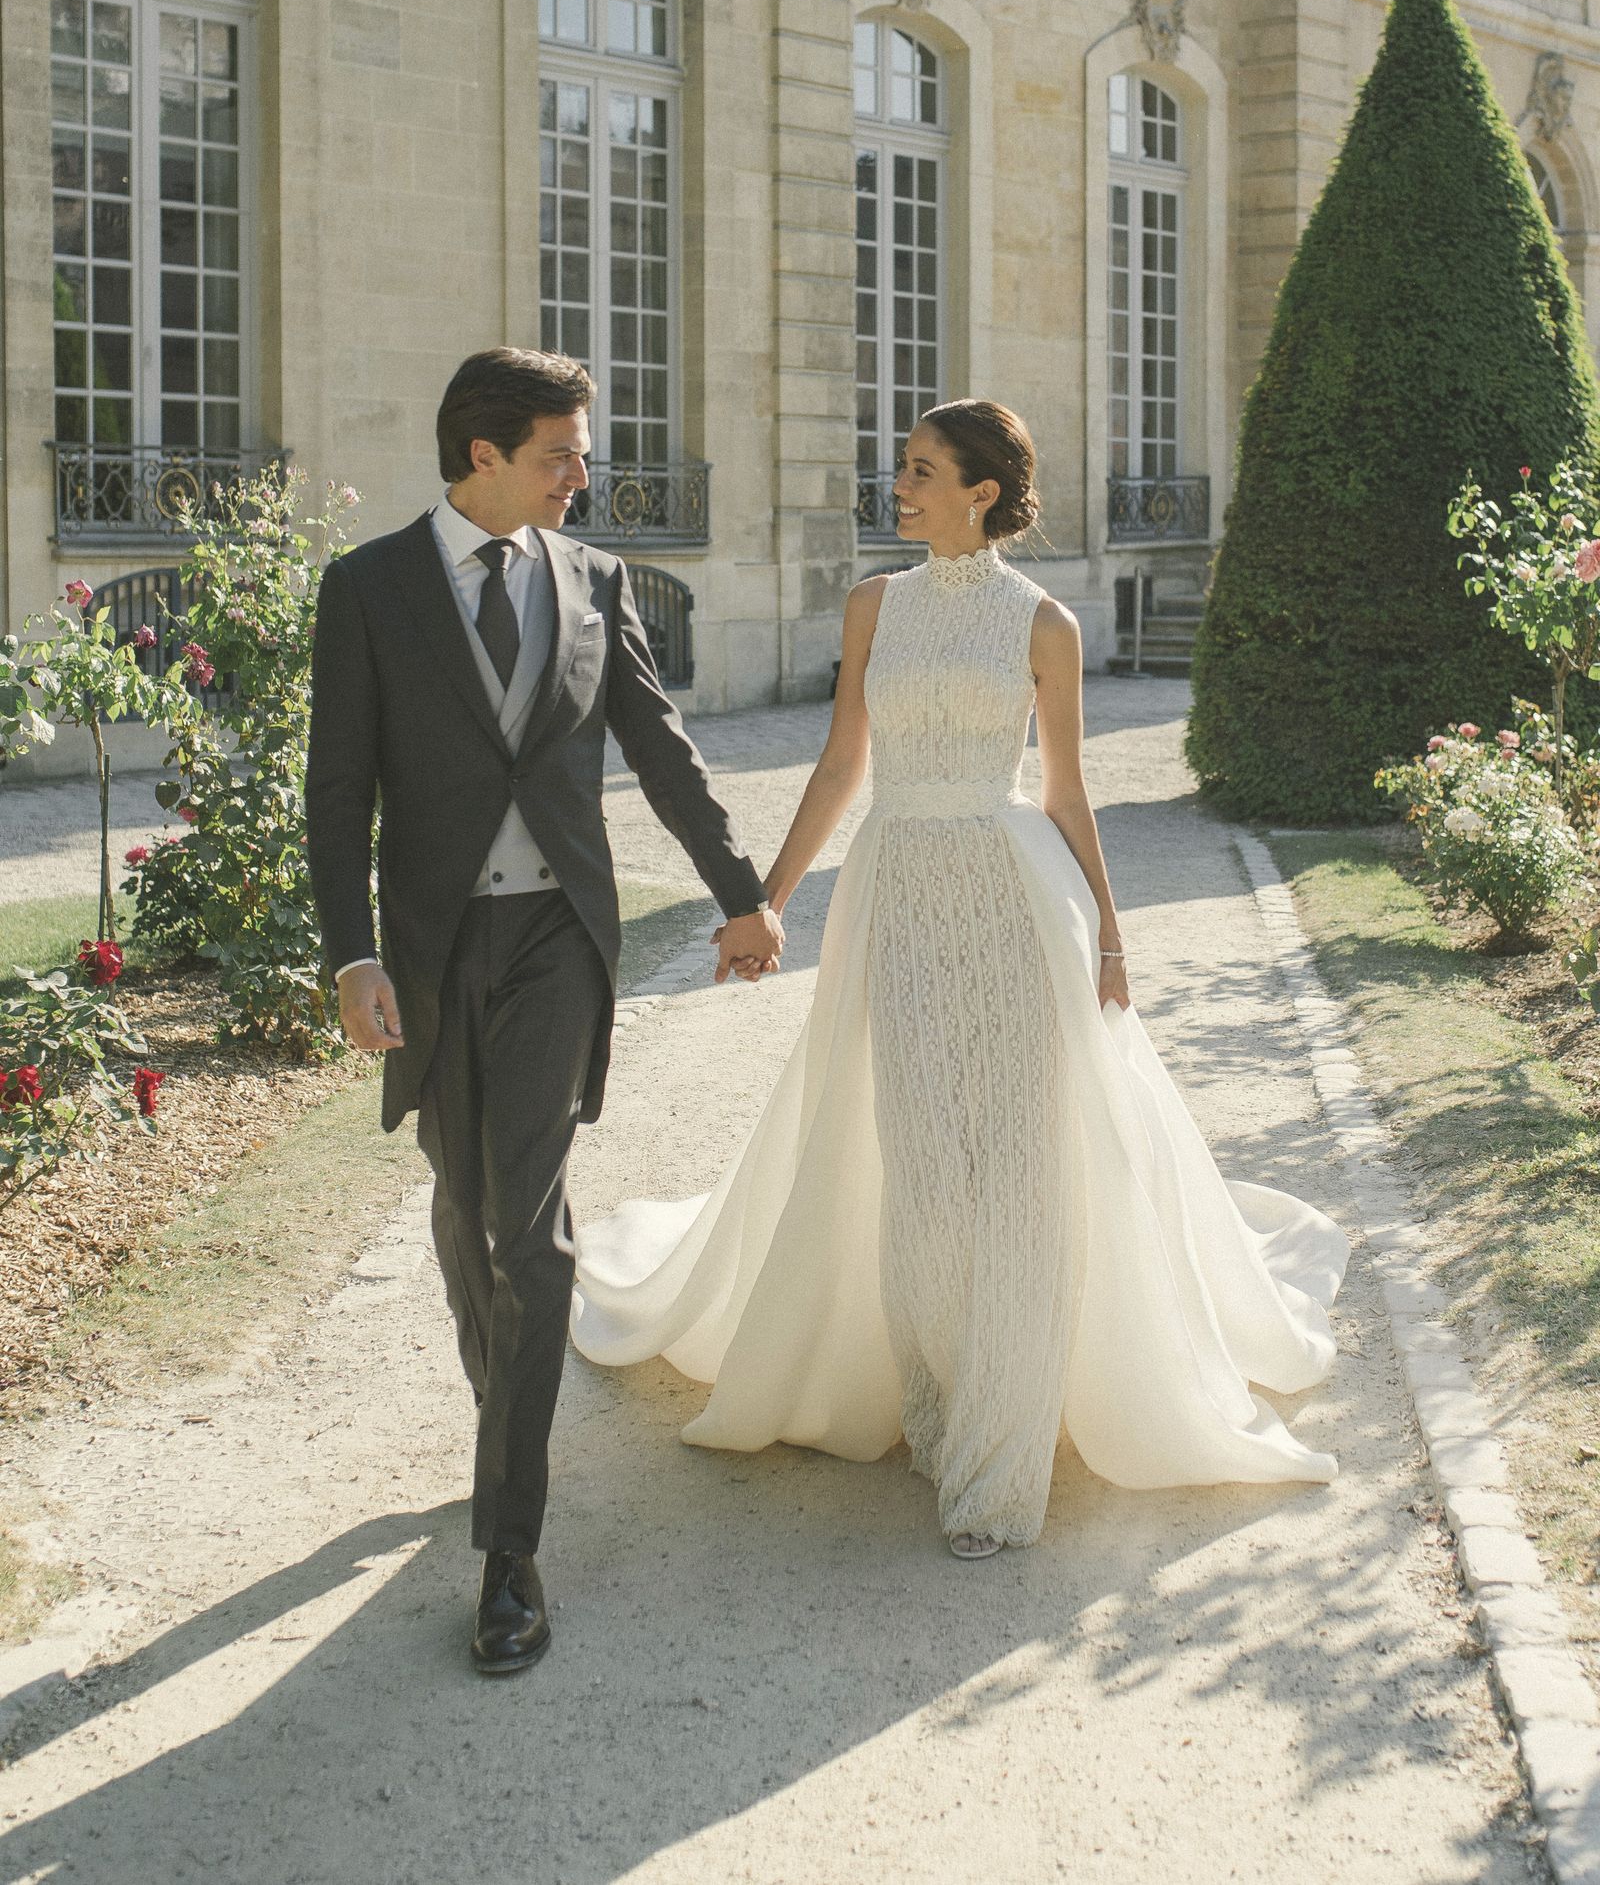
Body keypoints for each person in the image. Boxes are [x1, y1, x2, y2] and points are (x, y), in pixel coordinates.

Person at [572, 399, 1349, 1556]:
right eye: (903, 468)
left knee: (1019, 1168)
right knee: (926, 1165)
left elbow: (1067, 792)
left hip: (1014, 900)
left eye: (922, 470)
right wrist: (767, 900)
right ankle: (938, 1401)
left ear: (981, 492)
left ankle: (999, 1460)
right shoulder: (872, 604)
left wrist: (1114, 938)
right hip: (899, 893)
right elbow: (842, 764)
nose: (901, 486)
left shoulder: (1044, 624)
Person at [305, 347, 783, 1672]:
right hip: (437, 951)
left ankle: (510, 1553)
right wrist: (355, 958)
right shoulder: (370, 592)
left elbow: (660, 745)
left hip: (560, 946)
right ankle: (501, 1421)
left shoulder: (597, 582)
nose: (586, 474)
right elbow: (337, 795)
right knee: (467, 1215)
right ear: (486, 455)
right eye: (563, 453)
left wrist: (740, 893)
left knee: (529, 1238)